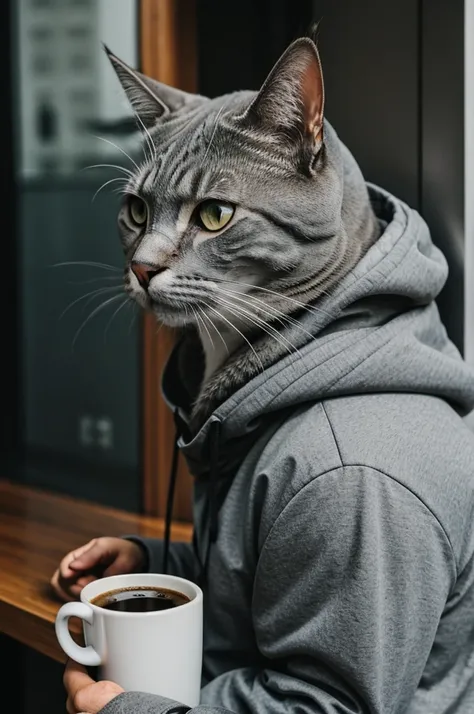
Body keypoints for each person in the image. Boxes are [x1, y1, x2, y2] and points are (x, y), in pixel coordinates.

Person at [52, 34, 474, 714]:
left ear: (307, 153)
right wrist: (164, 567)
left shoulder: (351, 470)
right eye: (138, 211)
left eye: (212, 214)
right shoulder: (284, 383)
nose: (149, 260)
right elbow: (283, 593)